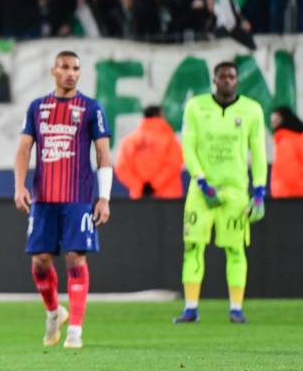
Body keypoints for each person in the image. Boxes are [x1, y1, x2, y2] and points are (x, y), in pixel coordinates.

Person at [14, 51, 112, 349]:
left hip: (78, 197)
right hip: (44, 198)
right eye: (65, 67)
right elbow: (23, 149)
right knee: (40, 263)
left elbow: (103, 154)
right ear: (53, 71)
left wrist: (104, 198)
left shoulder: (91, 108)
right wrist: (19, 186)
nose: (71, 73)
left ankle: (75, 332)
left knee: (74, 257)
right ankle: (55, 312)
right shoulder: (37, 107)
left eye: (76, 68)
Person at [174, 62, 267, 324]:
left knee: (236, 249)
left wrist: (259, 190)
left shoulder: (251, 110)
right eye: (222, 76)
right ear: (214, 80)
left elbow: (258, 152)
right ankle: (191, 308)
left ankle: (236, 308)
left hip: (235, 191)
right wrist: (202, 182)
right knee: (192, 247)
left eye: (231, 76)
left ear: (237, 81)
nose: (226, 80)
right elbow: (188, 148)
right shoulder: (196, 107)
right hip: (201, 191)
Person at [115, 106, 183, 199]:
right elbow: (174, 164)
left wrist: (141, 186)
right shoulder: (170, 140)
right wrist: (154, 185)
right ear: (159, 115)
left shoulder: (130, 141)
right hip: (168, 199)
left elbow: (122, 168)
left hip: (140, 198)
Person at [269, 106, 303, 198]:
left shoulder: (286, 142)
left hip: (290, 199)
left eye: (275, 120)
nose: (273, 124)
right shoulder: (296, 139)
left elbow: (290, 175)